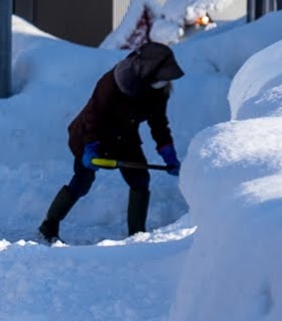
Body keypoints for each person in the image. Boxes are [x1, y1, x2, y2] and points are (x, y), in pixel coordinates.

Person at [38, 40, 185, 243]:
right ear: (147, 71)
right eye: (161, 77)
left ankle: (137, 235)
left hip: (125, 136)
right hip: (91, 134)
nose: (164, 81)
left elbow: (158, 123)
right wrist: (90, 147)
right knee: (82, 182)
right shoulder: (113, 82)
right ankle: (49, 224)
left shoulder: (158, 91)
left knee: (140, 180)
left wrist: (168, 152)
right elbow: (93, 116)